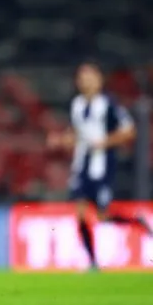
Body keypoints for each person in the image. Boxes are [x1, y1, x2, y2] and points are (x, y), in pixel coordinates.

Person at [47, 61, 153, 270]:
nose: (85, 81)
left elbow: (129, 130)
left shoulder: (108, 104)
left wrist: (105, 142)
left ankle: (137, 222)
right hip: (81, 165)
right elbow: (77, 133)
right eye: (82, 77)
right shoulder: (77, 104)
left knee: (102, 216)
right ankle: (93, 261)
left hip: (101, 166)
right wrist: (62, 139)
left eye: (90, 76)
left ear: (99, 80)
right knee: (80, 211)